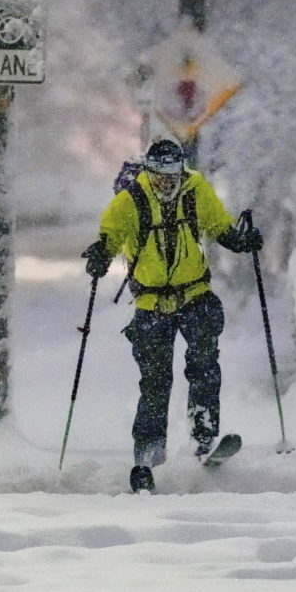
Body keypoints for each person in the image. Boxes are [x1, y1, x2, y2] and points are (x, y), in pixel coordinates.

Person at [82, 136, 262, 492]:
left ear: (182, 171)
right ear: (149, 172)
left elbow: (219, 226)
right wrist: (100, 255)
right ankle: (148, 456)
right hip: (151, 306)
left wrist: (240, 241)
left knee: (205, 368)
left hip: (195, 295)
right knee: (155, 382)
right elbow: (110, 237)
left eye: (173, 175)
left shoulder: (196, 191)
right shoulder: (129, 202)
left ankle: (204, 438)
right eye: (160, 176)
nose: (167, 183)